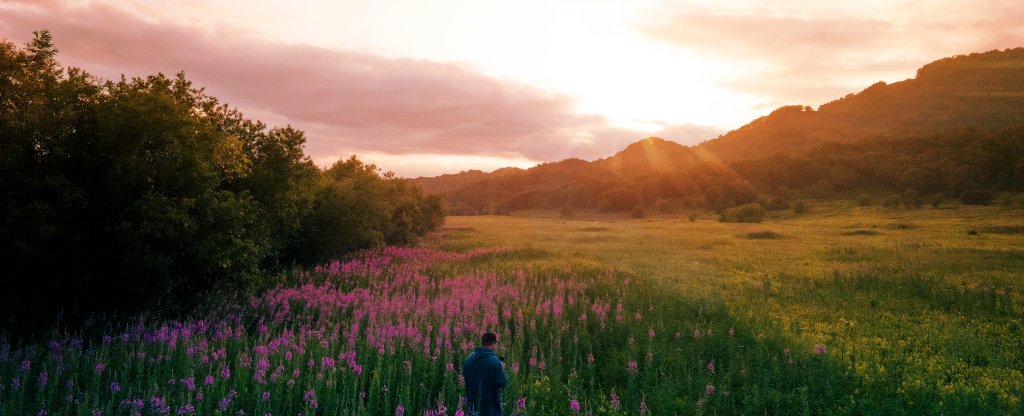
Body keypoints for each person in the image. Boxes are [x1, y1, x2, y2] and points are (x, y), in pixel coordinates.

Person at [462, 332, 508, 416]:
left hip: (472, 409)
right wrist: (501, 369)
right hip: (490, 410)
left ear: (482, 342)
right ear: (493, 343)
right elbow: (503, 383)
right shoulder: (495, 361)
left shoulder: (468, 360)